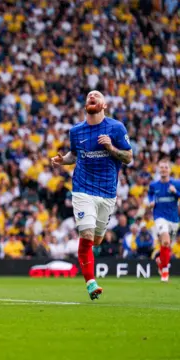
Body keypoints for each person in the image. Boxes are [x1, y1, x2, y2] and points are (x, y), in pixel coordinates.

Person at [51, 90, 132, 300]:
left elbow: (128, 157)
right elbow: (74, 155)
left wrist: (110, 147)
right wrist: (63, 160)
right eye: (89, 96)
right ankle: (90, 282)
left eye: (96, 95)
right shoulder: (76, 131)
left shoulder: (116, 128)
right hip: (82, 189)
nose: (92, 97)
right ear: (86, 104)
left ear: (104, 104)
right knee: (86, 236)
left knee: (96, 240)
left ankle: (89, 271)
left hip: (107, 192)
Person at [147, 159, 180, 282]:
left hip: (174, 219)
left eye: (166, 167)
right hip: (159, 217)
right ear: (158, 169)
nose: (163, 169)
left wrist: (175, 192)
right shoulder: (153, 185)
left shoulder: (176, 184)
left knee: (166, 245)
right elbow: (150, 194)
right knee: (165, 241)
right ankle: (165, 273)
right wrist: (150, 201)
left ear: (169, 170)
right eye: (161, 167)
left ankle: (161, 263)